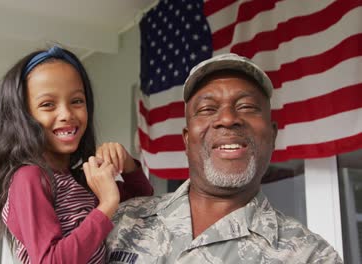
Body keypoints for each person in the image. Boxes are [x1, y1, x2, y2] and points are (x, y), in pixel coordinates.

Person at [105, 53, 342, 263]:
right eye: (208, 109)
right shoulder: (121, 220)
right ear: (187, 140)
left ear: (272, 135)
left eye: (247, 106)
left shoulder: (310, 256)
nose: (227, 119)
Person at [0, 45, 153, 264]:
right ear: (23, 117)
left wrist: (128, 165)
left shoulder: (80, 179)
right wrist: (106, 205)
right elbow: (50, 261)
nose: (66, 114)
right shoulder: (29, 178)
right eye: (47, 105)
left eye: (76, 101)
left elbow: (145, 205)